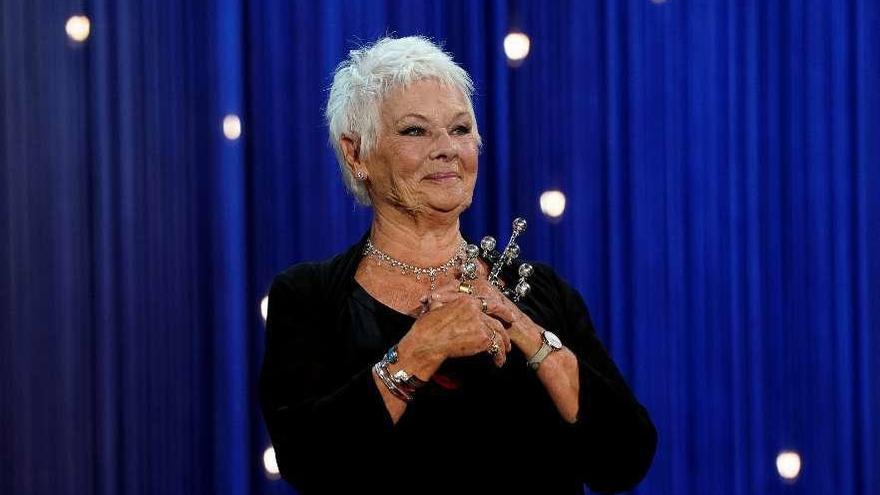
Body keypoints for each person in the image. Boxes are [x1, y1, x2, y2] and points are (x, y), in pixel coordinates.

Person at [259, 36, 657, 495]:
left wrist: (529, 336)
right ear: (356, 153)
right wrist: (422, 348)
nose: (447, 149)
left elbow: (625, 459)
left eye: (460, 129)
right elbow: (309, 461)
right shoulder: (310, 297)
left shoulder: (542, 293)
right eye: (415, 131)